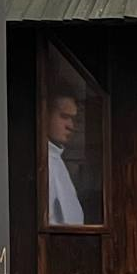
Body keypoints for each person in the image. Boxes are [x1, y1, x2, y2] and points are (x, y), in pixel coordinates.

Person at [47, 89, 85, 225]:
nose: (71, 126)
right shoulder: (43, 163)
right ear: (46, 115)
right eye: (64, 116)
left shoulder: (56, 159)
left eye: (73, 119)